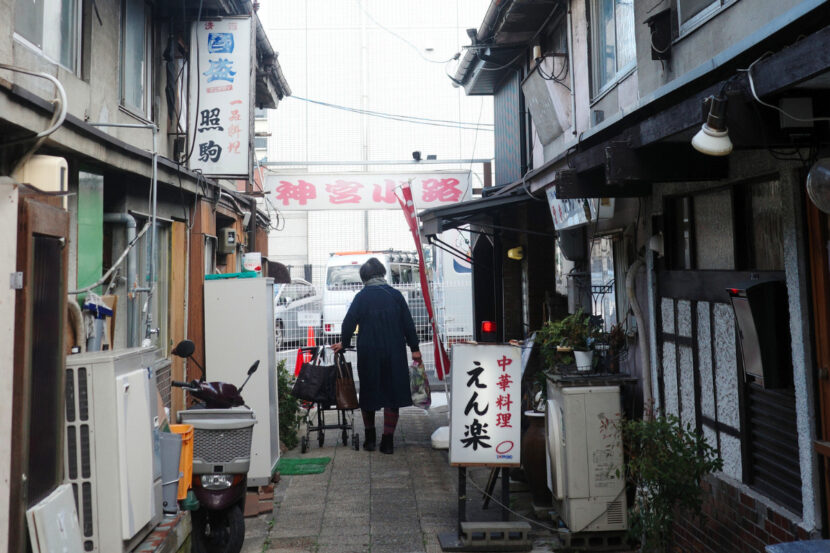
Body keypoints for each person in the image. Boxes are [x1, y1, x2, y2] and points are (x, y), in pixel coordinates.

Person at [331, 257, 421, 454]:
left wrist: (344, 343)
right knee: (392, 396)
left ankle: (370, 439)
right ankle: (387, 441)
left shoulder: (361, 297)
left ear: (364, 278)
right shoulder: (396, 296)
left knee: (369, 393)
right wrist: (415, 348)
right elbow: (408, 324)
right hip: (394, 353)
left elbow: (348, 324)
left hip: (369, 353)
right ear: (382, 274)